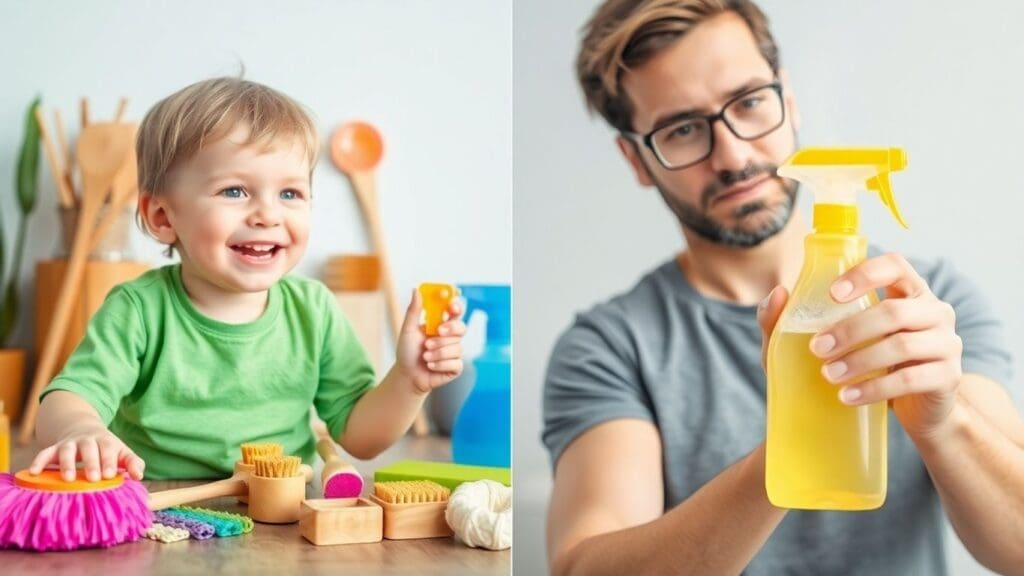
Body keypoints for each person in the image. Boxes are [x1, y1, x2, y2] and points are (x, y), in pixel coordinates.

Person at [542, 1, 1023, 574]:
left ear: (788, 102)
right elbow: (583, 567)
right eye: (683, 129)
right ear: (638, 160)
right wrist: (794, 447)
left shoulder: (926, 306)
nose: (735, 154)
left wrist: (945, 424)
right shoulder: (613, 347)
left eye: (748, 103)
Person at [29, 77, 466, 481]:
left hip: (281, 519)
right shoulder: (138, 310)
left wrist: (409, 380)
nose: (268, 215)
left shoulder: (313, 310)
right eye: (234, 191)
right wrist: (80, 430)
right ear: (162, 217)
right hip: (162, 513)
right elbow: (64, 401)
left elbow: (360, 437)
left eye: (290, 193)